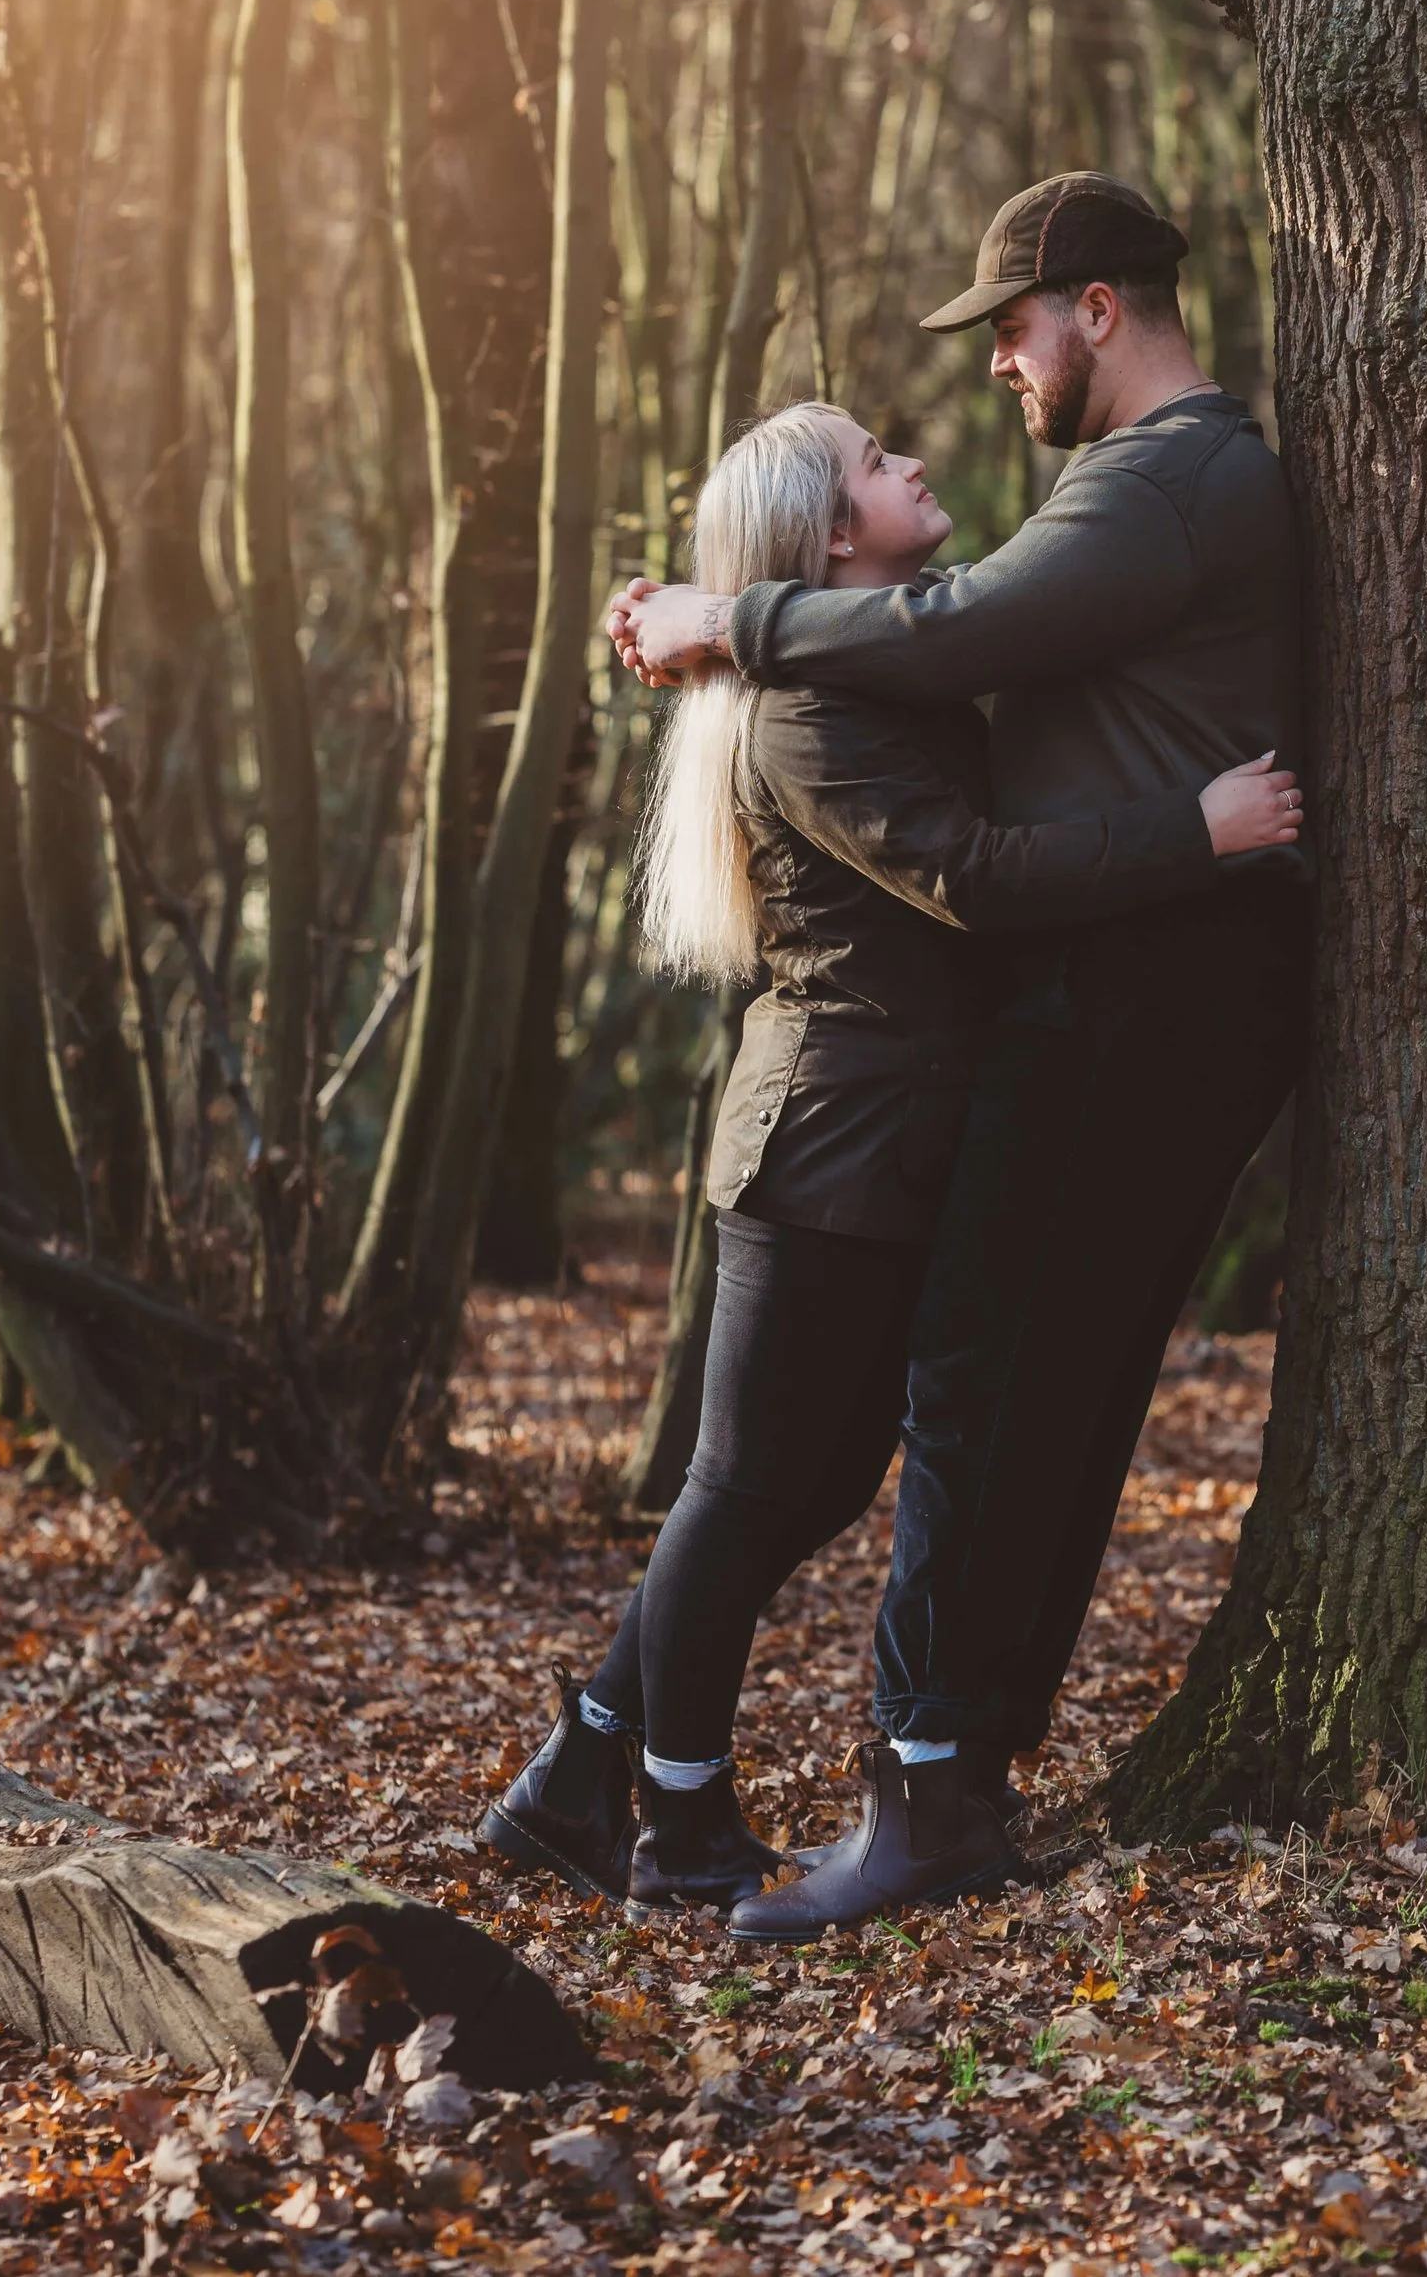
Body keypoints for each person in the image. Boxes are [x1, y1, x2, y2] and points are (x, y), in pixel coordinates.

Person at [480, 395, 1302, 1909]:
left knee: (809, 1483)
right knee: (742, 1487)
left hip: (881, 1143)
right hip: (827, 1146)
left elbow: (970, 633)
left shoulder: (869, 678)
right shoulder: (809, 716)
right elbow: (975, 879)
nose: (913, 463)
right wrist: (1191, 828)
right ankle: (675, 1817)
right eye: (874, 461)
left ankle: (577, 1770)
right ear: (831, 530)